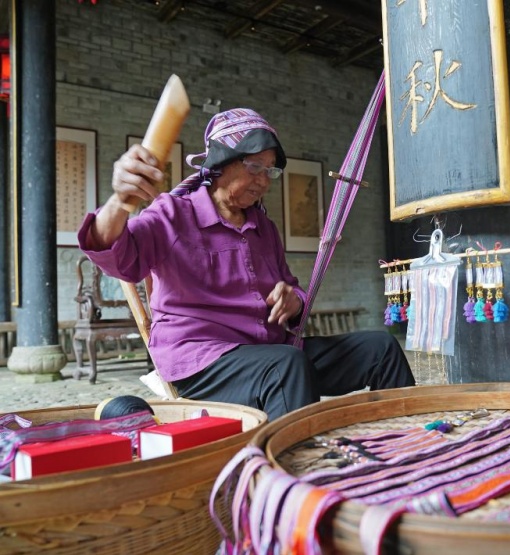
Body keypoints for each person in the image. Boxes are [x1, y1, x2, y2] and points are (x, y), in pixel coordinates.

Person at [78, 108, 415, 420]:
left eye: (270, 171)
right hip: (202, 362)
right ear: (222, 163)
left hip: (271, 352)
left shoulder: (262, 227)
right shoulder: (174, 214)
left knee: (381, 348)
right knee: (284, 367)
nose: (264, 181)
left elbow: (290, 285)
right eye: (255, 167)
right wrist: (120, 201)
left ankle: (411, 447)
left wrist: (293, 298)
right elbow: (116, 256)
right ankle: (295, 473)